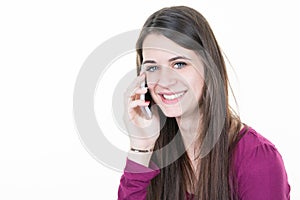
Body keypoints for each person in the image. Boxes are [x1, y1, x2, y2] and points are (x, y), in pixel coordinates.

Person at [118, 6, 290, 200]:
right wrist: (141, 146)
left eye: (179, 64)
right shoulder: (155, 153)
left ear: (209, 68)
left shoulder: (257, 158)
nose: (164, 81)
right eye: (153, 67)